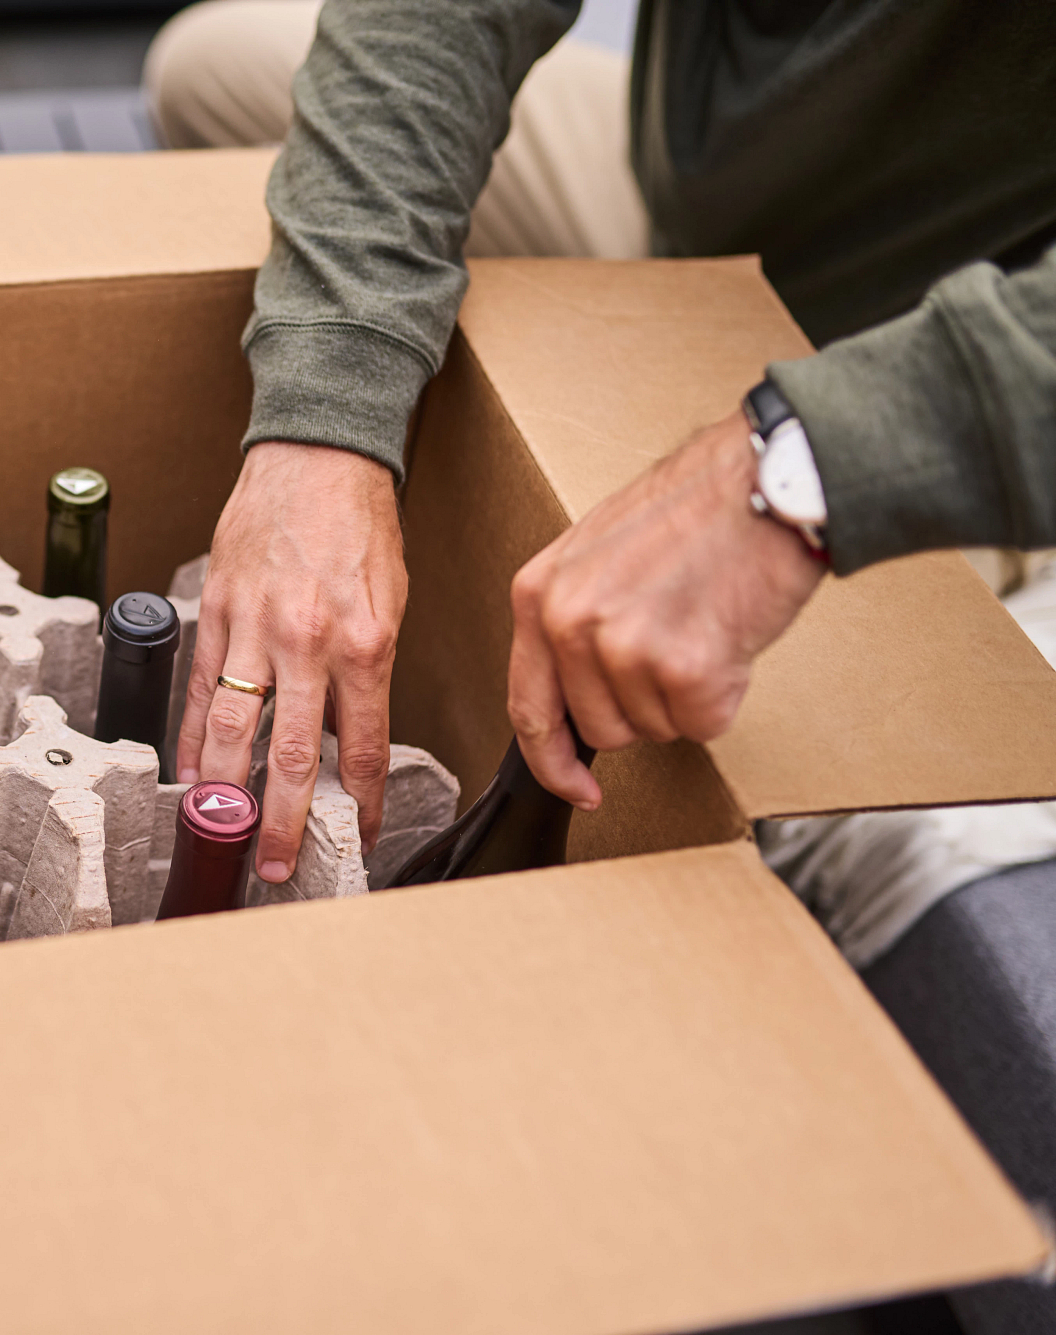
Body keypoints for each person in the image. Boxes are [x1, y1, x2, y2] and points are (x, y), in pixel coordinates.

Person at [147, 0, 1056, 887]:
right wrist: (327, 416)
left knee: (820, 818)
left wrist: (800, 464)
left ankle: (1012, 576)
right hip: (688, 210)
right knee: (211, 69)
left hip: (956, 359)